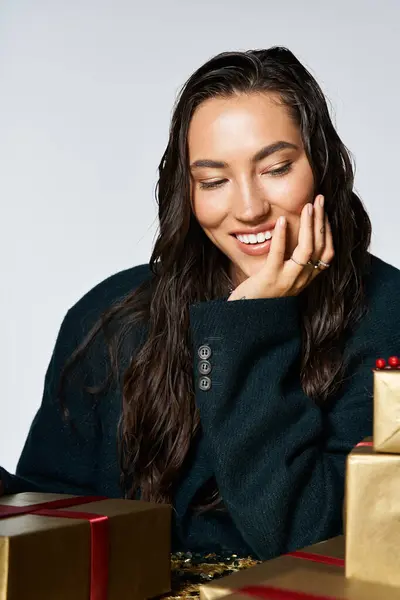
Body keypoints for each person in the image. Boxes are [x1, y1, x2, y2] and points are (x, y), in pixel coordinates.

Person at [1, 46, 400, 561]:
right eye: (213, 181)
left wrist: (250, 326)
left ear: (321, 165)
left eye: (276, 168)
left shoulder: (388, 317)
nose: (251, 209)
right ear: (184, 191)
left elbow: (316, 546)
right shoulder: (110, 317)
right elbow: (47, 522)